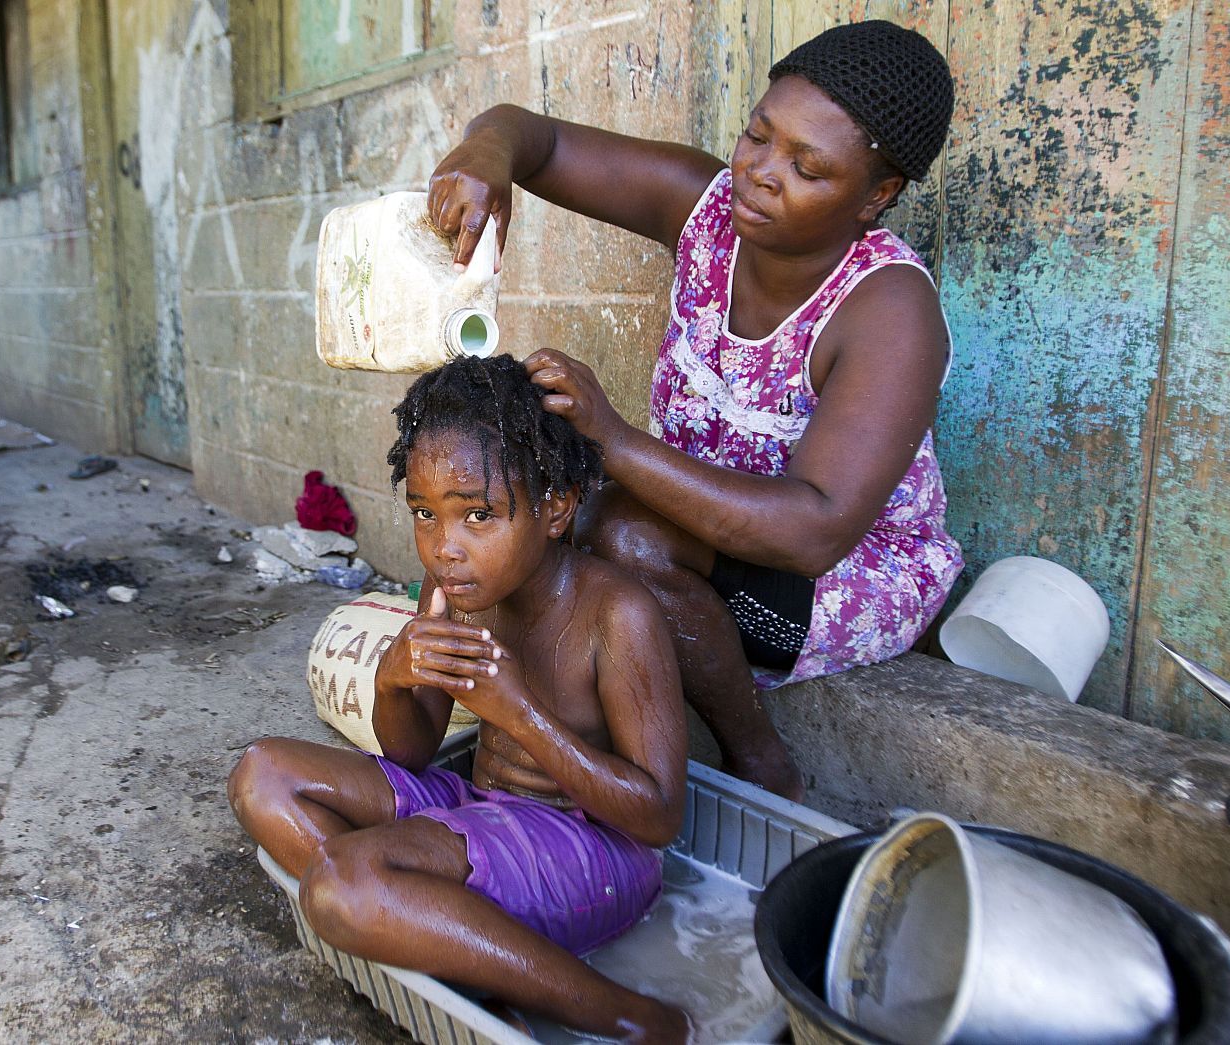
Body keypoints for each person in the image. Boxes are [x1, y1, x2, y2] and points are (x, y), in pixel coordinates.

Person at [426, 20, 965, 801]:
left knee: (623, 535)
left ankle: (755, 754)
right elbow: (532, 138)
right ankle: (557, 737)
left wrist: (610, 440)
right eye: (757, 135)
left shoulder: (889, 307)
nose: (761, 174)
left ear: (876, 195)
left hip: (842, 573)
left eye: (807, 167)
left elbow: (813, 529)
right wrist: (486, 156)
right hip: (690, 522)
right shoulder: (705, 209)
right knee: (536, 516)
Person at [228, 355, 691, 1042]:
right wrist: (393, 676)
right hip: (478, 812)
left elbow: (657, 818)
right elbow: (412, 750)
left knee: (340, 886)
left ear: (556, 506)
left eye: (478, 513)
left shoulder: (615, 615)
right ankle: (458, 953)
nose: (445, 547)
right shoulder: (451, 588)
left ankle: (630, 1016)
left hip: (593, 853)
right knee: (261, 775)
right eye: (424, 512)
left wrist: (519, 714)